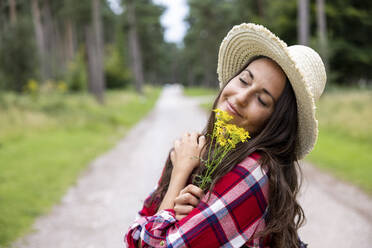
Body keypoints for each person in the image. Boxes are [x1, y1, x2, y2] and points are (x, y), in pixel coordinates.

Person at [124, 23, 326, 248]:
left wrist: (178, 177)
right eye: (244, 80)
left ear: (275, 123)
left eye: (262, 100)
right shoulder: (194, 149)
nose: (241, 97)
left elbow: (147, 244)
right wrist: (174, 213)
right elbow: (137, 228)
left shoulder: (254, 172)